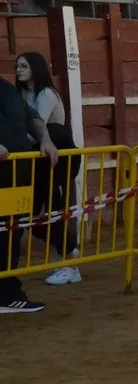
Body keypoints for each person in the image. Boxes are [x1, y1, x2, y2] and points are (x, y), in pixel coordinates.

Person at [14, 51, 80, 286]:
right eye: (17, 66)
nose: (19, 70)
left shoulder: (46, 94)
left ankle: (70, 263)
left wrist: (13, 144)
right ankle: (68, 250)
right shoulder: (21, 94)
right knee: (30, 214)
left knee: (55, 209)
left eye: (24, 66)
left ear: (36, 68)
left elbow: (36, 126)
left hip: (57, 157)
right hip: (38, 161)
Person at [0, 76, 57, 313]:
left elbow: (31, 116)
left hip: (14, 178)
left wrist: (46, 139)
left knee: (11, 235)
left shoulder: (6, 88)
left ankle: (7, 293)